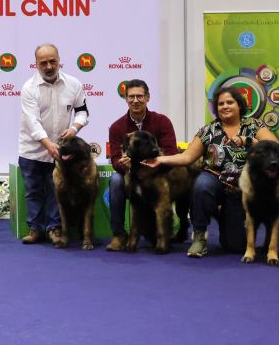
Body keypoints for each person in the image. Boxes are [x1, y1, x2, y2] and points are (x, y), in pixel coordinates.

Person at [146, 86, 278, 257]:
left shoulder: (254, 125)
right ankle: (199, 237)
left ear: (239, 105)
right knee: (201, 184)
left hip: (241, 188)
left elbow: (274, 147)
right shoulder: (208, 130)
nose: (225, 106)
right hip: (214, 180)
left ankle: (223, 216)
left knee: (235, 246)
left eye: (230, 102)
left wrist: (248, 140)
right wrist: (160, 160)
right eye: (221, 104)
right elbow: (186, 157)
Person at [17, 44, 88, 245]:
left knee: (57, 192)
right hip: (32, 151)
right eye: (43, 63)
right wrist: (48, 144)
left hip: (62, 152)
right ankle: (35, 229)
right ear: (36, 64)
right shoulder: (29, 88)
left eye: (52, 61)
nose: (49, 66)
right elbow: (32, 122)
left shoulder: (74, 84)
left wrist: (74, 128)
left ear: (59, 60)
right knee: (33, 192)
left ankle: (54, 229)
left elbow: (82, 111)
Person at [105, 79, 179, 251]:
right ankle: (118, 234)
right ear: (126, 99)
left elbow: (171, 153)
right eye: (131, 97)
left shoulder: (162, 121)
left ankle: (170, 233)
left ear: (147, 97)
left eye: (140, 96)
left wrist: (153, 165)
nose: (135, 100)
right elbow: (115, 160)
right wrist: (123, 164)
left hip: (158, 173)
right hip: (132, 174)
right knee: (116, 180)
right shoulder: (116, 127)